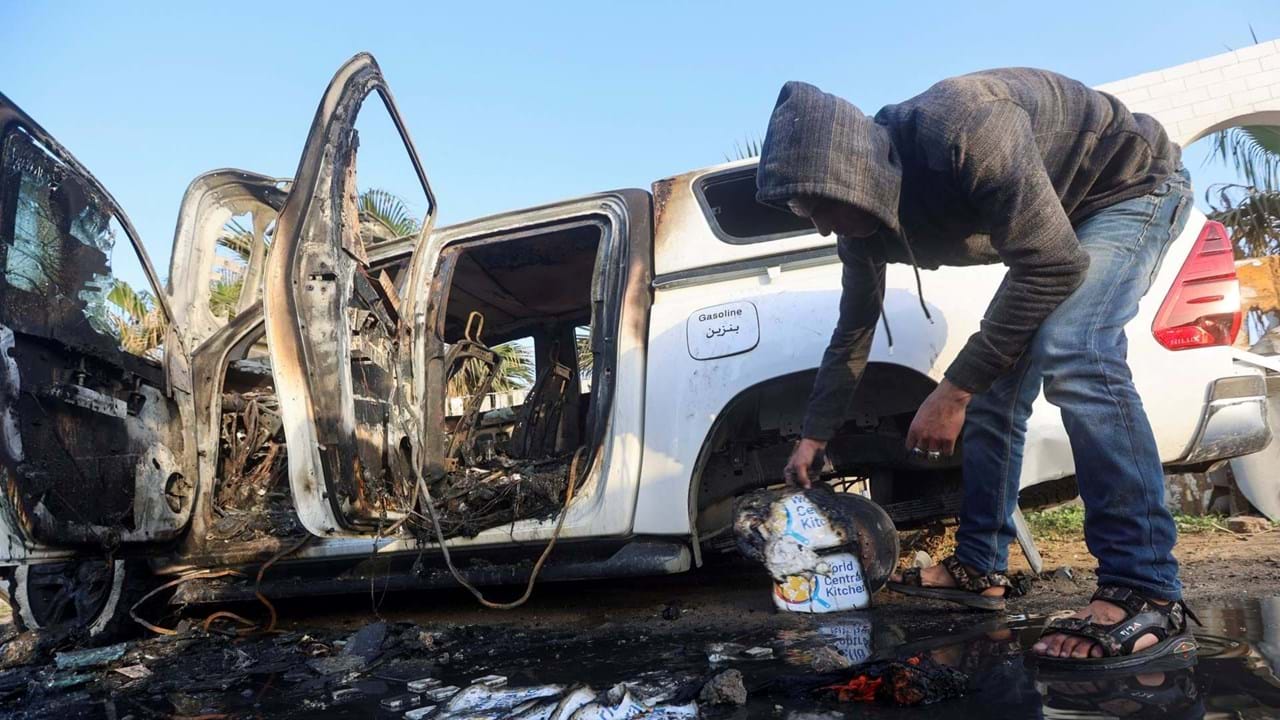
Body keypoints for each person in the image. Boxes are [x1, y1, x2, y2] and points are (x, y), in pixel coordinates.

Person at [756, 69, 1198, 670]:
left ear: (856, 173)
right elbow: (853, 330)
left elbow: (1052, 264)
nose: (823, 226)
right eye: (806, 213)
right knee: (993, 397)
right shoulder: (861, 226)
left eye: (824, 206)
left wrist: (954, 388)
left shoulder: (964, 125)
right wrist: (813, 436)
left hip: (1128, 190)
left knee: (1077, 351)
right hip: (1054, 227)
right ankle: (979, 566)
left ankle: (1143, 587)